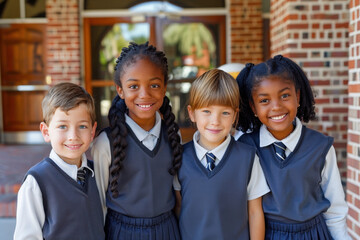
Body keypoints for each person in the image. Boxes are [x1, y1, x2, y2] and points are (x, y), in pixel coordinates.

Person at [236, 55, 351, 240]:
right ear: (253, 107)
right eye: (264, 100)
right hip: (267, 234)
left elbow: (335, 209)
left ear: (297, 96)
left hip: (314, 234)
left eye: (285, 96)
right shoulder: (245, 148)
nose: (276, 107)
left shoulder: (320, 147)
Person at [91, 42, 182, 240]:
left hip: (167, 230)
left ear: (165, 87)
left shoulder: (174, 136)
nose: (144, 94)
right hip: (122, 232)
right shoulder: (105, 143)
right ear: (120, 90)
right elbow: (98, 203)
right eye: (133, 86)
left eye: (154, 85)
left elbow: (177, 194)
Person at [175, 69, 270, 240]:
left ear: (235, 115)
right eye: (206, 111)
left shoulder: (247, 158)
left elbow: (255, 212)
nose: (215, 121)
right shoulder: (180, 158)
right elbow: (179, 208)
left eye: (225, 113)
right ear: (192, 113)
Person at [13, 82, 104, 240]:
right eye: (63, 126)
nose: (73, 136)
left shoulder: (99, 173)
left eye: (82, 126)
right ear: (46, 132)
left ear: (92, 131)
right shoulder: (36, 183)